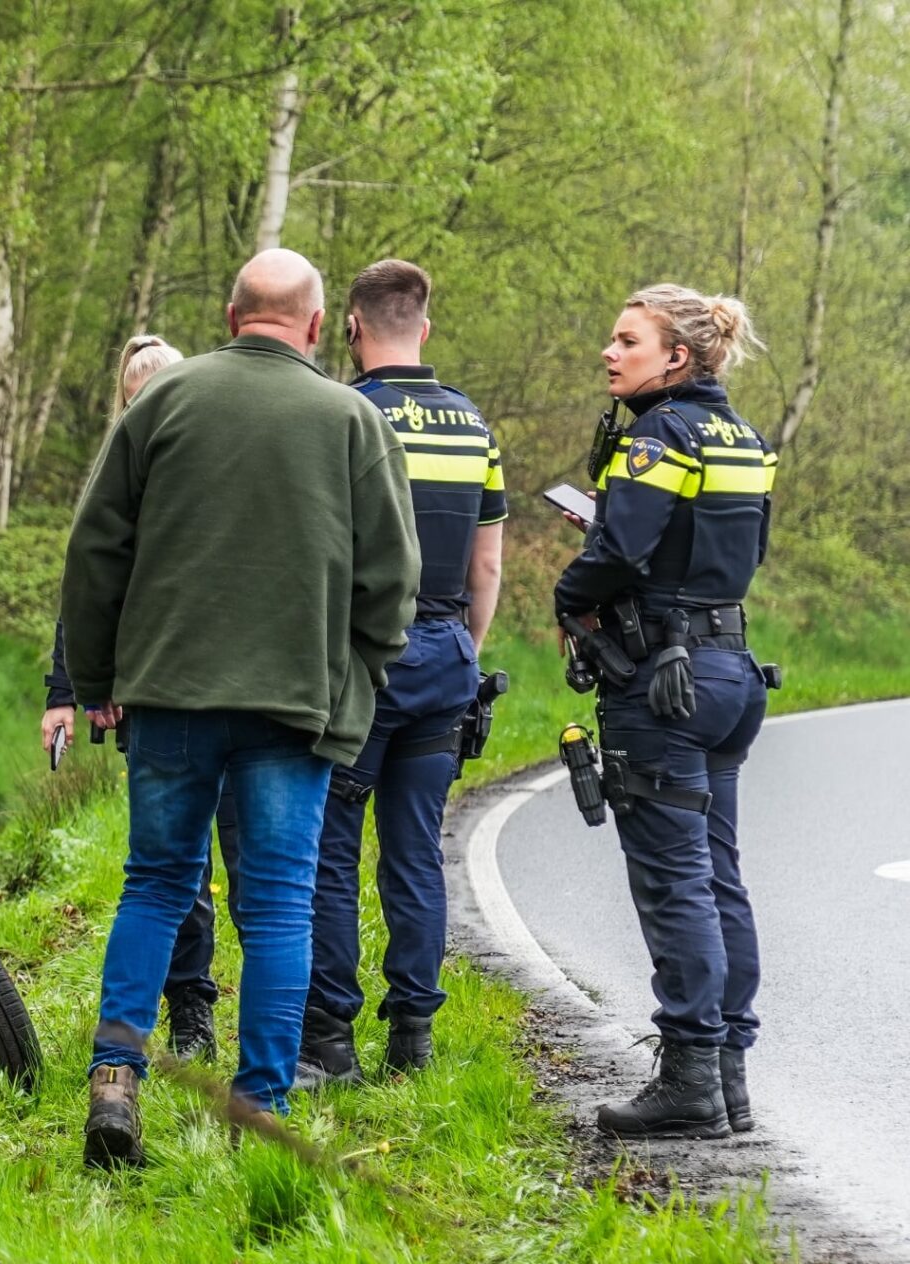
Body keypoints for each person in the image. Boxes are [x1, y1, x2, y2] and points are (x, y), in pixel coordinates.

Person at [62, 249, 419, 1169]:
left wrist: (98, 681)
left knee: (155, 883)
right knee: (278, 908)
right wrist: (356, 680)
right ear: (311, 326)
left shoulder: (161, 405)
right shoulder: (350, 420)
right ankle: (259, 1112)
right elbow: (394, 581)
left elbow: (95, 551)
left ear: (229, 317)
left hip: (170, 694)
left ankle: (116, 1078)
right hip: (294, 704)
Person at [554, 284, 775, 1140]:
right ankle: (729, 1077)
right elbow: (747, 550)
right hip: (728, 669)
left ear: (676, 357)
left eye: (627, 341)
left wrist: (567, 593)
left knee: (675, 880)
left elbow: (618, 550)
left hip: (663, 682)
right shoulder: (742, 437)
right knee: (718, 874)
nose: (609, 354)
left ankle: (688, 1076)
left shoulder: (660, 435)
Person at [299, 260, 507, 1083]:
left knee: (330, 853)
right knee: (416, 851)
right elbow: (486, 567)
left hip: (361, 663)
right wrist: (465, 650)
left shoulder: (344, 413)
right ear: (424, 325)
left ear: (351, 326)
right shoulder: (472, 426)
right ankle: (413, 1037)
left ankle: (331, 1042)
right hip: (446, 659)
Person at [42, 334, 240, 1063]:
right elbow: (85, 588)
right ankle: (189, 1009)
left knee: (243, 867)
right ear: (126, 403)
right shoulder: (117, 474)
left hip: (234, 692)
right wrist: (72, 690)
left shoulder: (219, 463)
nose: (149, 403)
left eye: (162, 388)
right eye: (138, 394)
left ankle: (281, 1038)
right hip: (153, 700)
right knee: (173, 871)